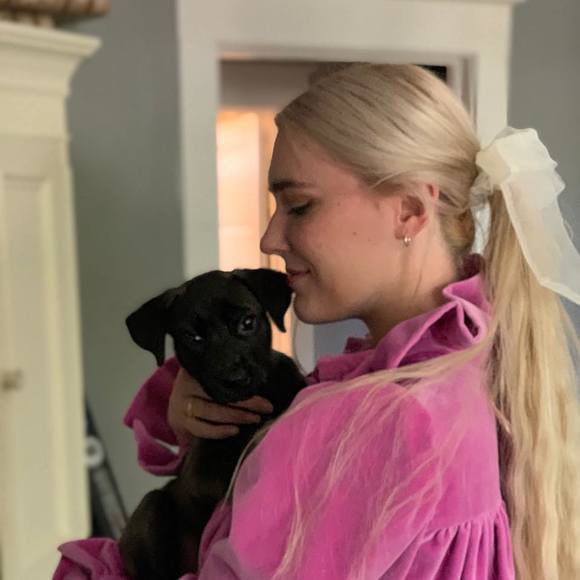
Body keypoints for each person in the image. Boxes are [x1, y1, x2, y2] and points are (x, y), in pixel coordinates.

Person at [54, 63, 580, 579]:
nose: (269, 239)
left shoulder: (373, 424)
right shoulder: (477, 363)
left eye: (299, 205)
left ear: (409, 210)